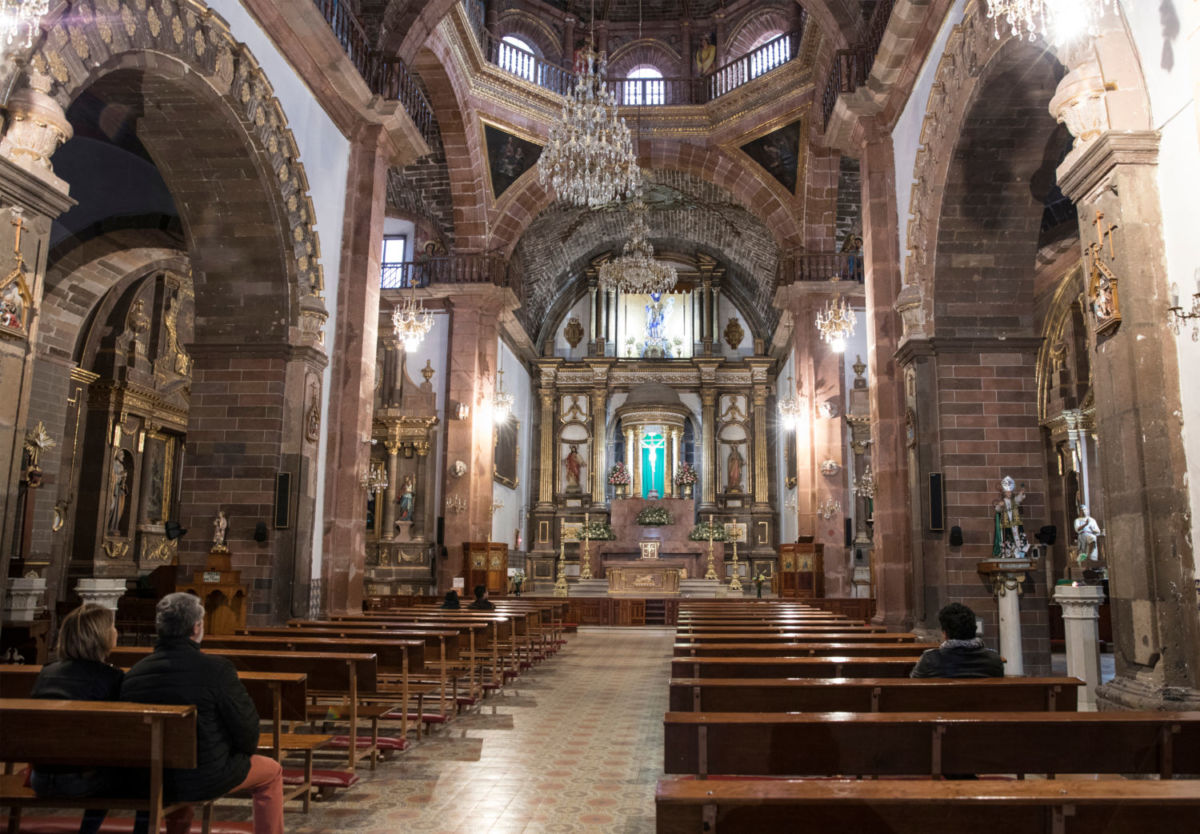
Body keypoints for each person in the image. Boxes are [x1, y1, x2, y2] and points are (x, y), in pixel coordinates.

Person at [121, 593, 284, 834]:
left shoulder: (135, 673)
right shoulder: (216, 669)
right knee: (271, 771)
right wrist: (234, 752)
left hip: (149, 778)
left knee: (174, 766)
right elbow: (247, 730)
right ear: (197, 627)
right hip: (205, 776)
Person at [29, 604, 124, 834]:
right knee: (145, 779)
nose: (116, 631)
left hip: (39, 777)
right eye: (113, 626)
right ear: (103, 636)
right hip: (80, 780)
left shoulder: (47, 672)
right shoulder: (111, 677)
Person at [911, 603, 1004, 678]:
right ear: (974, 630)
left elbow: (914, 685)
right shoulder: (994, 660)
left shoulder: (929, 659)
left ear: (945, 633)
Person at [992, 475, 1028, 558]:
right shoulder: (1002, 502)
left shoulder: (1014, 500)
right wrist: (1000, 505)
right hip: (1007, 525)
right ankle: (1008, 553)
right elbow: (997, 510)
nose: (1009, 493)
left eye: (1010, 492)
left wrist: (1022, 492)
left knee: (1018, 538)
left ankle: (1019, 553)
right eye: (1007, 492)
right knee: (1008, 539)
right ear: (1004, 493)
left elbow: (1019, 498)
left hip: (1015, 523)